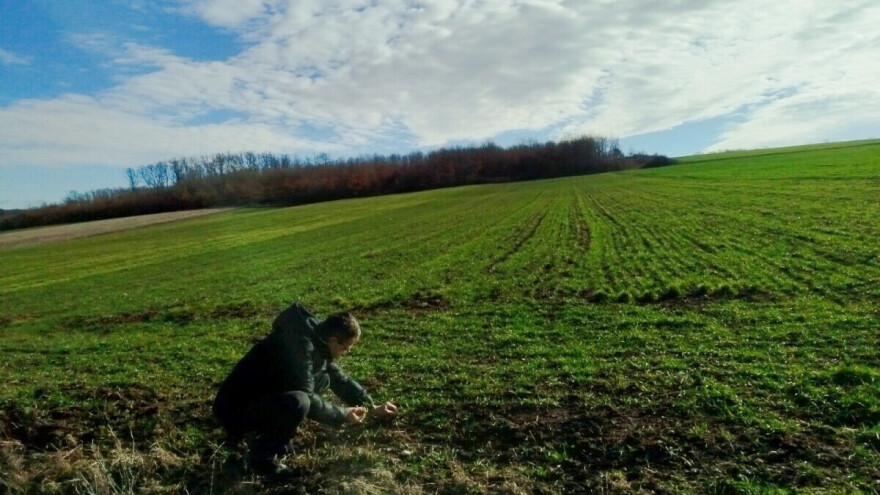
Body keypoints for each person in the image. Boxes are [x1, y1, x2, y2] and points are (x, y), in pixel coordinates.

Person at [213, 302, 398, 477]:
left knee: (323, 379)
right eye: (347, 348)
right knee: (300, 402)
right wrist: (342, 414)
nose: (346, 353)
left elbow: (339, 379)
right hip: (234, 410)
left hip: (261, 399)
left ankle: (275, 435)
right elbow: (306, 394)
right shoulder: (300, 344)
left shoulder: (317, 340)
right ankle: (262, 458)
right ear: (334, 340)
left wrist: (371, 406)